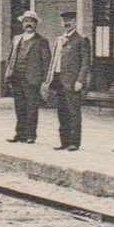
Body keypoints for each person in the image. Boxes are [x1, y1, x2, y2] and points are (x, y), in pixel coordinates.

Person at [43, 9, 93, 151]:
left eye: (70, 20)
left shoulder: (82, 40)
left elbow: (85, 63)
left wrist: (80, 81)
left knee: (73, 112)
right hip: (58, 81)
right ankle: (64, 141)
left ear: (75, 22)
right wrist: (49, 79)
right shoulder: (59, 40)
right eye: (64, 21)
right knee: (62, 112)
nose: (67, 23)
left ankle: (74, 143)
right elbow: (54, 61)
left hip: (72, 82)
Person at [2, 10, 51, 143]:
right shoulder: (17, 39)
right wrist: (9, 74)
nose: (28, 24)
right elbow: (10, 57)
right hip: (16, 78)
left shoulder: (41, 41)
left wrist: (45, 82)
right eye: (25, 21)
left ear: (35, 24)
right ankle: (19, 134)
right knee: (19, 107)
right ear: (22, 24)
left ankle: (30, 135)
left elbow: (46, 63)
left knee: (31, 108)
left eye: (31, 21)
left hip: (32, 80)